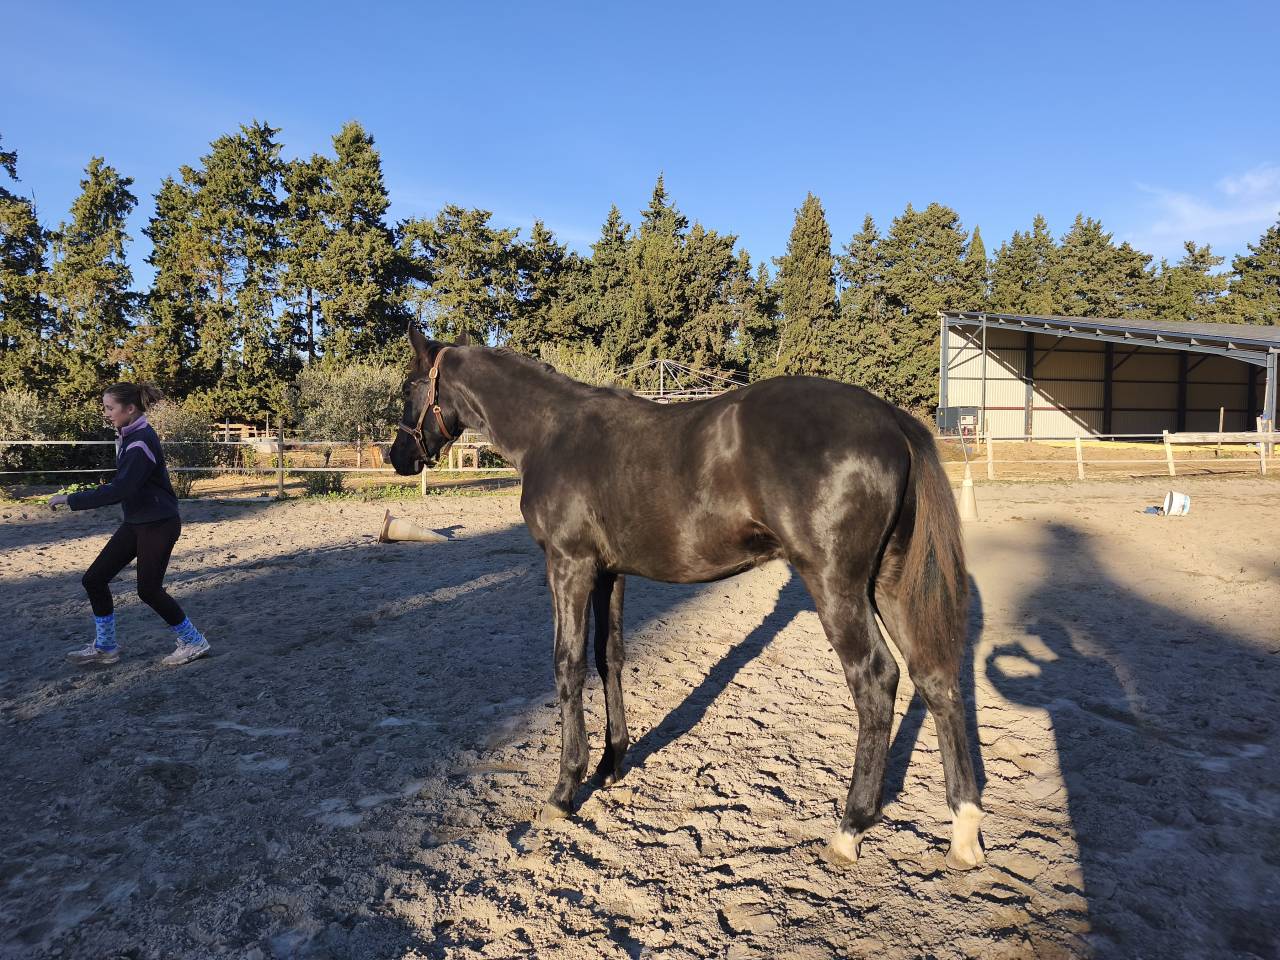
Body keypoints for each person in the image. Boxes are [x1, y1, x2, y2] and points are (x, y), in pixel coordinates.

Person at [49, 382, 211, 667]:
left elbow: (119, 490)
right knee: (94, 579)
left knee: (148, 590)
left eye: (110, 408)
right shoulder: (130, 435)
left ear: (130, 408)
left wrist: (70, 499)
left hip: (158, 524)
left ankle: (194, 641)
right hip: (138, 522)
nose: (106, 413)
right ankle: (106, 646)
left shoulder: (139, 442)